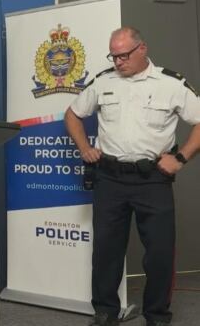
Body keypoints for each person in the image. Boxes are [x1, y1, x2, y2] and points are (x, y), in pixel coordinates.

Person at [64, 27, 200, 326]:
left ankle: (157, 316)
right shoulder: (103, 81)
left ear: (142, 49)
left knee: (160, 253)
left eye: (123, 55)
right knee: (106, 251)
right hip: (110, 179)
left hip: (153, 179)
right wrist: (85, 148)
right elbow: (72, 114)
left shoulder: (170, 83)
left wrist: (180, 158)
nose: (118, 62)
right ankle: (105, 312)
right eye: (113, 55)